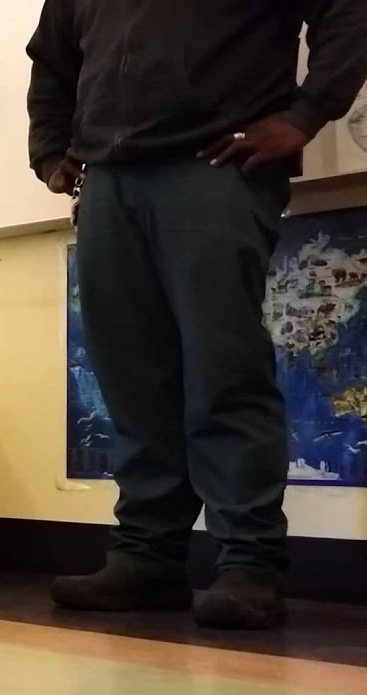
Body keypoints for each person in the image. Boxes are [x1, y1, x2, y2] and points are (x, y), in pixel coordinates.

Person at [26, 1, 367, 628]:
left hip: (214, 167)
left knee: (223, 371)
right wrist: (49, 150)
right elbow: (52, 58)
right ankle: (147, 558)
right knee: (131, 382)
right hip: (108, 182)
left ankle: (250, 564)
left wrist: (304, 116)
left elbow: (347, 11)